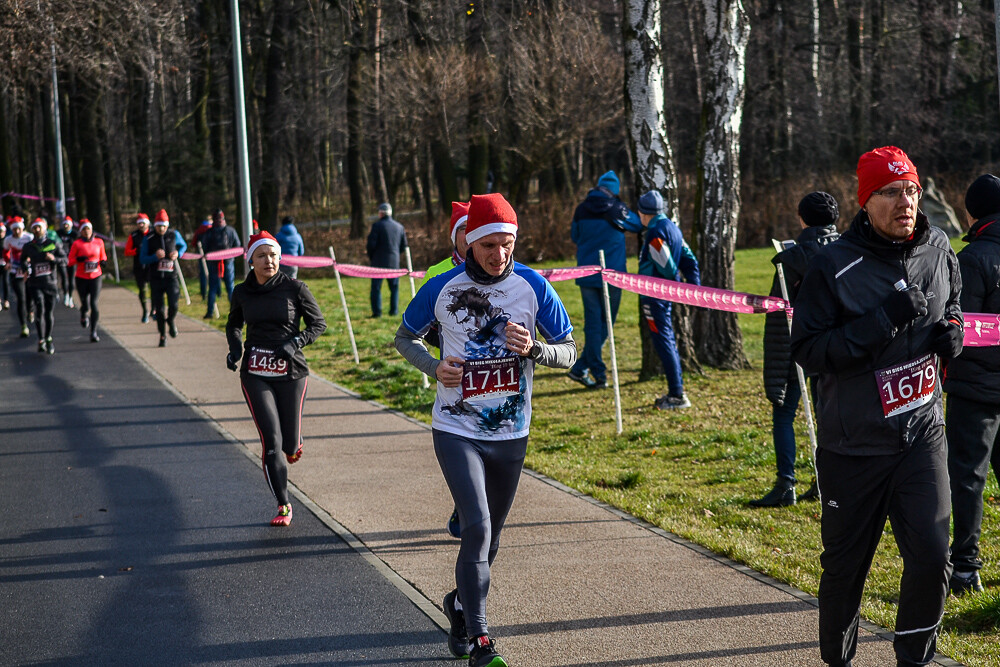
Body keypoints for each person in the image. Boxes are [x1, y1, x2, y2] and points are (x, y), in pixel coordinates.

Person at [790, 146, 963, 667]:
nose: (904, 202)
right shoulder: (834, 265)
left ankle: (914, 659)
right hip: (854, 445)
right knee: (845, 570)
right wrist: (882, 319)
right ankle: (838, 661)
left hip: (921, 435)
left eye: (910, 190)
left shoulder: (937, 248)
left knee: (934, 558)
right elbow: (808, 350)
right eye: (889, 192)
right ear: (865, 201)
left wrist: (952, 332)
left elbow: (951, 301)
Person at [395, 193, 576, 667]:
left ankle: (458, 604)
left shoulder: (534, 286)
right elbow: (403, 337)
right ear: (470, 244)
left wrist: (535, 350)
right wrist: (434, 367)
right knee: (475, 527)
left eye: (507, 244)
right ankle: (481, 640)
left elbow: (571, 353)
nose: (500, 254)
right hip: (456, 428)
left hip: (511, 433)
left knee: (490, 540)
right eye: (489, 245)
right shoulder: (441, 287)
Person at [225, 231, 327, 527]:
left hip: (291, 371)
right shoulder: (242, 292)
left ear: (279, 257)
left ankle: (294, 444)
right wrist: (235, 350)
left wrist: (294, 343)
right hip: (255, 373)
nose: (268, 260)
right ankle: (283, 504)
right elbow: (233, 324)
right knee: (271, 440)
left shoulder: (295, 288)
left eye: (272, 255)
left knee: (289, 445)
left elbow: (318, 324)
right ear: (251, 260)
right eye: (261, 255)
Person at [751, 192, 840, 507]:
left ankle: (785, 484)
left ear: (802, 219)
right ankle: (826, 480)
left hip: (799, 345)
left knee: (784, 412)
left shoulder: (791, 259)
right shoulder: (851, 251)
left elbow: (778, 316)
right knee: (828, 416)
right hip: (838, 347)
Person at [941, 173, 1000, 596]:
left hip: (975, 390)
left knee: (967, 478)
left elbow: (961, 329)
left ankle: (965, 567)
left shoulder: (972, 258)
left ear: (971, 212)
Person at [567, 170, 643, 389]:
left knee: (593, 324)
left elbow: (575, 236)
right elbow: (637, 225)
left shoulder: (581, 209)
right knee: (606, 325)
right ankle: (596, 372)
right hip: (613, 275)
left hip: (586, 273)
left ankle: (581, 367)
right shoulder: (617, 209)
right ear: (615, 191)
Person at [423, 201, 471, 540]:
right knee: (460, 442)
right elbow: (420, 325)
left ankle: (473, 506)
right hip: (454, 372)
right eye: (465, 231)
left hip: (496, 373)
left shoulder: (503, 271)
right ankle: (463, 503)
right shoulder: (436, 272)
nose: (472, 238)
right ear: (454, 236)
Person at [636, 190, 701, 410]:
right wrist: (694, 287)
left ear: (643, 213)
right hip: (664, 294)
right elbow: (690, 260)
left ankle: (677, 395)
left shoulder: (655, 232)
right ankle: (676, 391)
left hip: (656, 295)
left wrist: (677, 287)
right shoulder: (674, 228)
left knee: (664, 342)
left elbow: (666, 267)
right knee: (667, 340)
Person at [140, 209, 188, 348]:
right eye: (158, 226)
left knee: (173, 305)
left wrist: (178, 253)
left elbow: (183, 245)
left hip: (171, 278)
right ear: (154, 226)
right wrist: (155, 257)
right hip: (155, 279)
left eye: (164, 226)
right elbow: (142, 259)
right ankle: (162, 336)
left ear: (167, 226)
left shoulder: (174, 235)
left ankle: (171, 321)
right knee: (159, 310)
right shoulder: (148, 238)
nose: (161, 228)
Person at [21, 218, 65, 354]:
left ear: (45, 229)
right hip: (35, 283)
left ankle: (48, 338)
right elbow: (22, 260)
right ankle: (41, 340)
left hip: (50, 283)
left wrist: (54, 259)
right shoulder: (28, 246)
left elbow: (65, 259)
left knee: (49, 313)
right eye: (35, 228)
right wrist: (25, 268)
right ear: (32, 230)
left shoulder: (53, 244)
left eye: (39, 227)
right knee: (39, 308)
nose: (37, 230)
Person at [67, 219, 107, 342]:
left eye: (88, 229)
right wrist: (79, 259)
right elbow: (70, 261)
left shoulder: (99, 242)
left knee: (94, 304)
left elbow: (103, 256)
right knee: (85, 303)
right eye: (84, 229)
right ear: (81, 231)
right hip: (81, 278)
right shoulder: (77, 244)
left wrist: (103, 261)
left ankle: (93, 332)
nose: (86, 231)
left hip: (96, 277)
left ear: (91, 230)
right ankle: (83, 314)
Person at [366, 202, 407, 317]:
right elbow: (404, 246)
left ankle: (377, 312)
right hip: (394, 262)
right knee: (394, 288)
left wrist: (372, 256)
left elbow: (371, 245)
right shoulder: (399, 227)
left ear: (381, 213)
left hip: (378, 262)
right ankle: (394, 311)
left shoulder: (376, 226)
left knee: (376, 288)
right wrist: (395, 254)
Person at [203, 208, 242, 319]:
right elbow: (237, 245)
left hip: (214, 263)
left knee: (213, 289)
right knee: (230, 288)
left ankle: (210, 312)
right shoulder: (231, 231)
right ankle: (235, 312)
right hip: (228, 263)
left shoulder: (209, 232)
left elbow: (205, 246)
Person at [4, 217, 31, 337]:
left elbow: (35, 249)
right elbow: (5, 251)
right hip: (16, 271)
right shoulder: (8, 239)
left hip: (29, 270)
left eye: (19, 229)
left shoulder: (29, 237)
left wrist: (31, 258)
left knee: (30, 296)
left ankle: (31, 310)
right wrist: (7, 262)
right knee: (21, 298)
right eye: (15, 229)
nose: (17, 231)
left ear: (22, 228)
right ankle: (23, 325)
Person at [125, 213, 153, 322]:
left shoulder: (152, 233)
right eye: (139, 223)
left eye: (143, 223)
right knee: (142, 289)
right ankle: (145, 311)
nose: (141, 225)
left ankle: (154, 309)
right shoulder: (133, 235)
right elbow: (127, 251)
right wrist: (136, 251)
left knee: (154, 288)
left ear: (147, 223)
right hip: (139, 266)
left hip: (151, 266)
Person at [56, 216, 77, 307]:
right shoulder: (58, 233)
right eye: (64, 224)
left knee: (71, 279)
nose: (65, 226)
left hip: (71, 259)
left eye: (67, 225)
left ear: (71, 226)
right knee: (64, 277)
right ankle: (65, 295)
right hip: (61, 259)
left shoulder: (75, 234)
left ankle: (71, 297)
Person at [275, 215, 305, 279]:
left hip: (281, 263)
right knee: (293, 282)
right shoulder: (298, 236)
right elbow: (301, 252)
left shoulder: (278, 236)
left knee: (281, 282)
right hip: (293, 262)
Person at [192, 217, 212, 299]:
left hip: (201, 255)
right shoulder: (213, 229)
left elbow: (193, 242)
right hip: (212, 256)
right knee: (213, 275)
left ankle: (203, 294)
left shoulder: (199, 230)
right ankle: (217, 293)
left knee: (203, 275)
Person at [0, 220, 9, 312]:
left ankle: (6, 300)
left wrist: (9, 262)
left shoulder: (7, 240)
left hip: (5, 264)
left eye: (1, 231)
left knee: (6, 282)